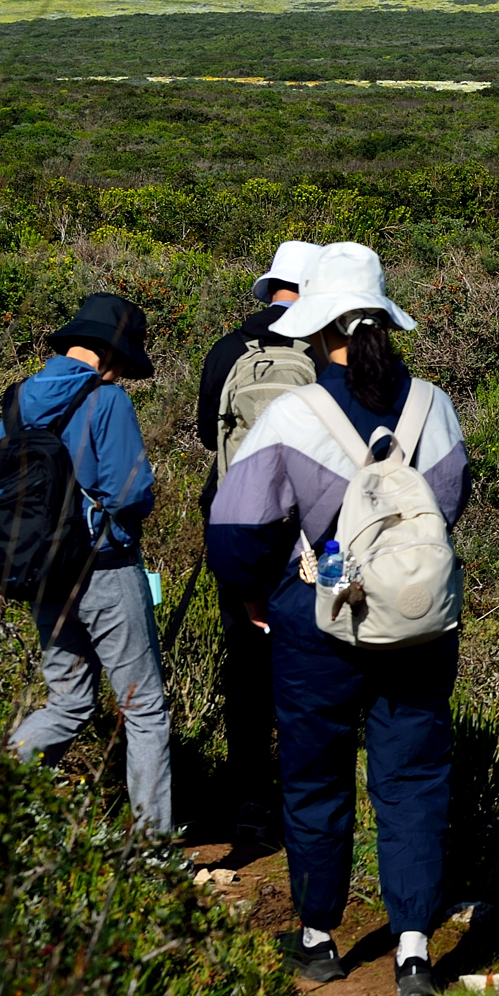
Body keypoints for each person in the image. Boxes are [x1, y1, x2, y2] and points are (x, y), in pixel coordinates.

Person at [206, 243, 469, 996]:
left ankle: (319, 937)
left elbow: (237, 528)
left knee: (315, 775)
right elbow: (449, 503)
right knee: (413, 776)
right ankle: (414, 948)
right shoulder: (434, 406)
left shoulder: (293, 413)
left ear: (319, 330)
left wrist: (257, 594)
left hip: (316, 618)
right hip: (415, 622)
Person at [0, 294, 166, 835]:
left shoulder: (18, 400)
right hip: (105, 569)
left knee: (68, 702)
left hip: (41, 573)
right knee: (144, 709)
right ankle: (152, 853)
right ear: (110, 353)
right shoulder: (107, 400)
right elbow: (130, 491)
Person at [193, 239, 323, 842]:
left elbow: (207, 435)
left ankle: (248, 795)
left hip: (235, 522)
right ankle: (307, 797)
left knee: (244, 661)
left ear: (271, 286)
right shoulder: (323, 349)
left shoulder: (228, 349)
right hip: (306, 533)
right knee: (310, 661)